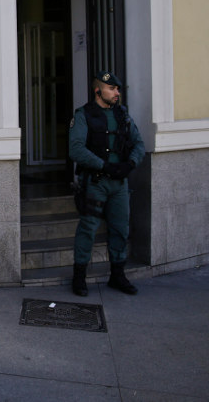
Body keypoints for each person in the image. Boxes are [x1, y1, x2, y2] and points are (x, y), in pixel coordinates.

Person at [69, 71, 145, 296]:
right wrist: (103, 165)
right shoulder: (83, 115)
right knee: (88, 229)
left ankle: (117, 275)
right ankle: (79, 277)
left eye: (117, 89)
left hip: (119, 184)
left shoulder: (123, 115)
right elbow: (76, 149)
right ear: (97, 90)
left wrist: (130, 163)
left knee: (120, 229)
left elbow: (138, 143)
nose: (117, 93)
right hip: (96, 182)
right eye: (112, 88)